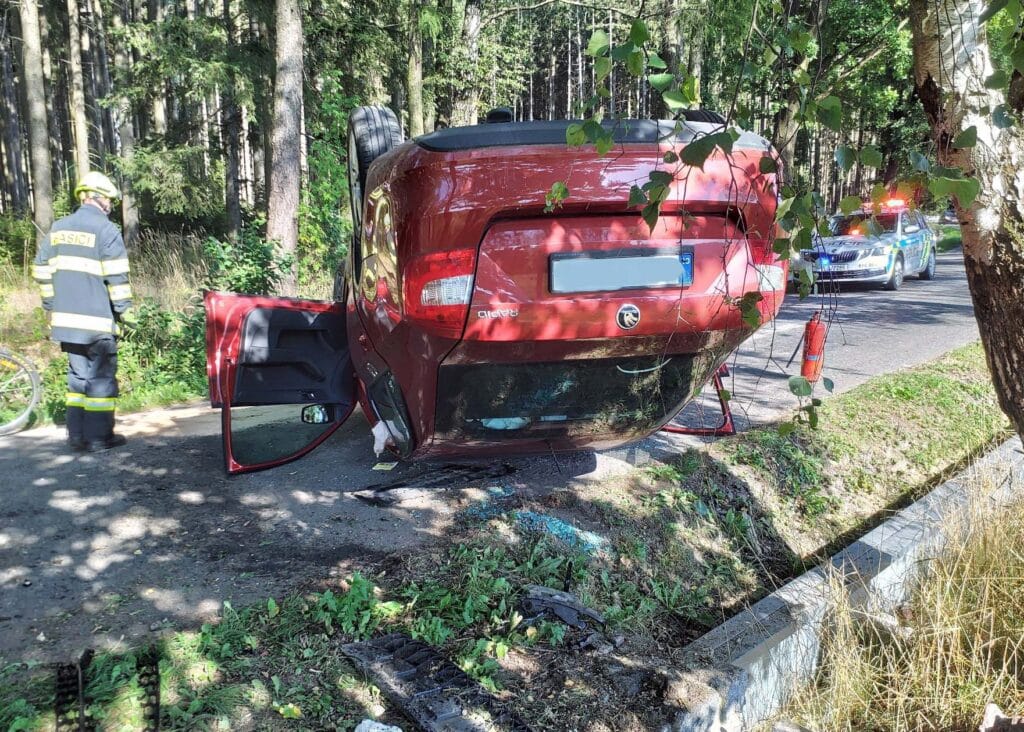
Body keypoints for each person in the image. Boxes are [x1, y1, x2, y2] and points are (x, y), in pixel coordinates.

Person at [32, 172, 134, 452]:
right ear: (99, 198)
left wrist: (51, 304)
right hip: (97, 323)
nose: (110, 206)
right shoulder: (106, 230)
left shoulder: (58, 228)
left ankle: (76, 436)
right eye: (110, 200)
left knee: (77, 380)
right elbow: (116, 278)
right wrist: (125, 311)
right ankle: (99, 438)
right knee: (100, 380)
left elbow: (40, 270)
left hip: (66, 323)